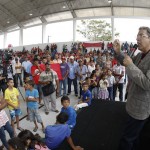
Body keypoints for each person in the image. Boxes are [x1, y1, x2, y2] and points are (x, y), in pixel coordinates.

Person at [113, 26, 150, 150]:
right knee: (135, 137)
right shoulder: (140, 55)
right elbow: (127, 61)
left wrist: (130, 65)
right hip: (133, 103)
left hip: (140, 108)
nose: (137, 38)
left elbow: (147, 84)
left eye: (142, 35)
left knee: (127, 139)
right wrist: (118, 52)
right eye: (137, 35)